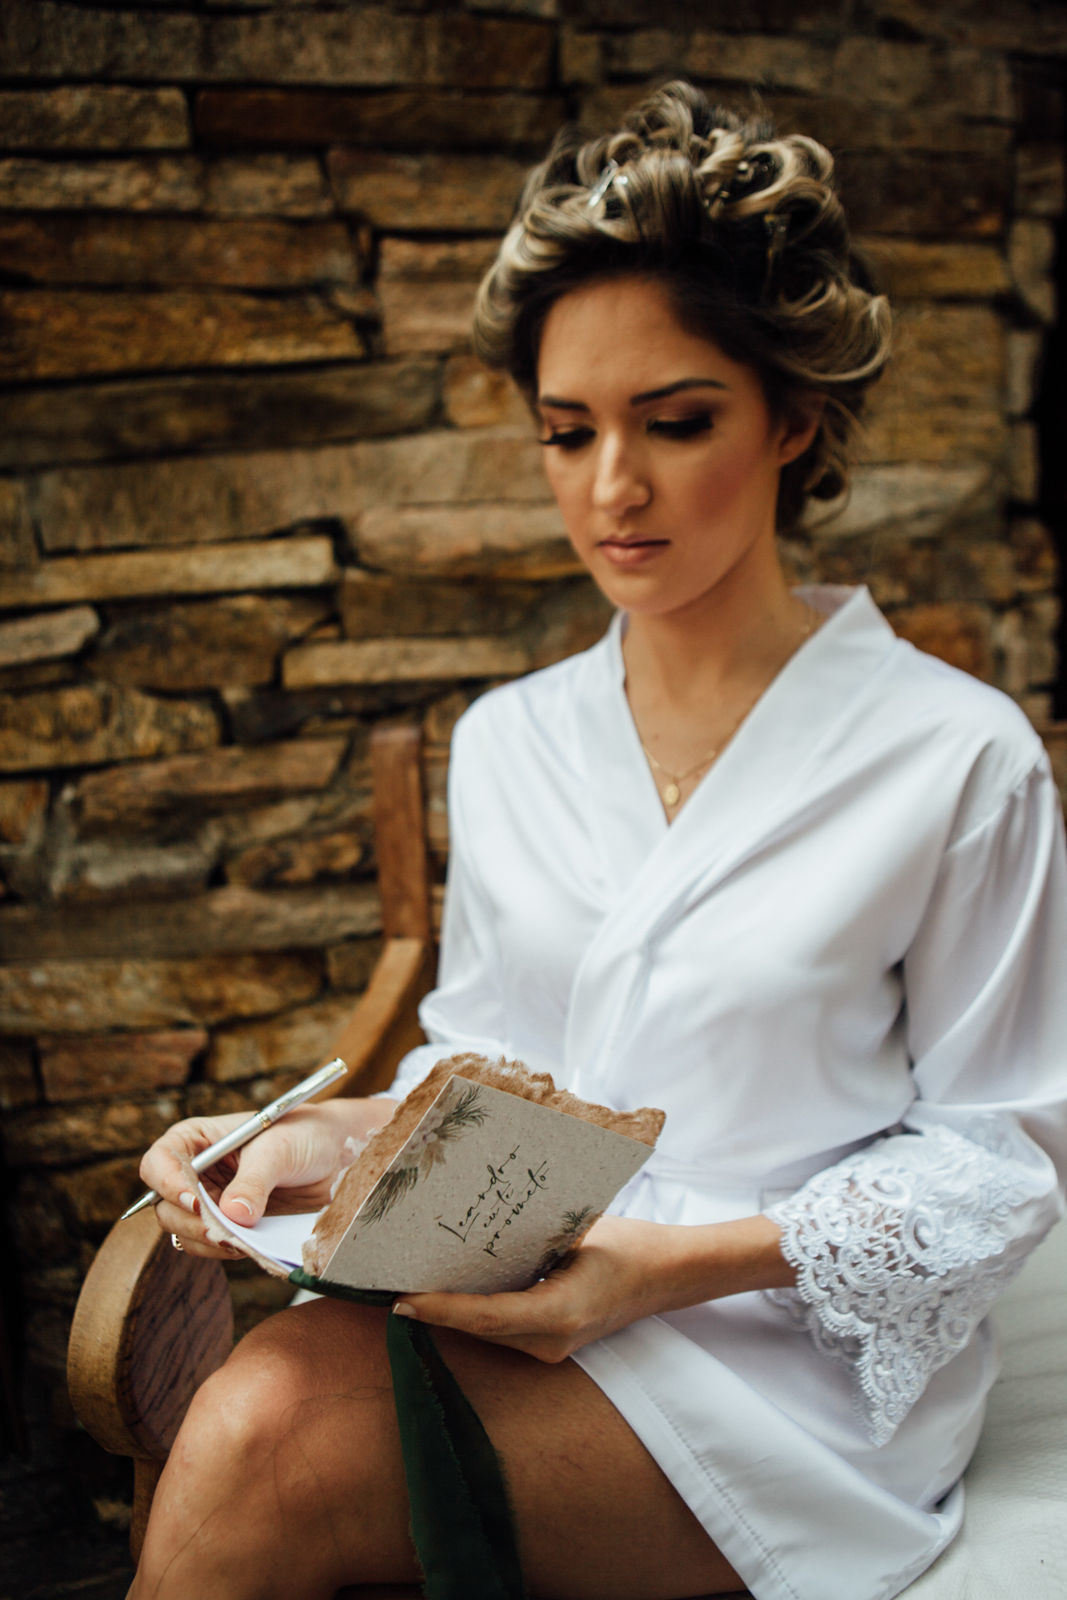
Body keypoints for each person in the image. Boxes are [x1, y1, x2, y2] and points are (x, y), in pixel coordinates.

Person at [131, 82, 1067, 1600]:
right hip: (523, 1284)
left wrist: (667, 1272)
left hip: (790, 1359)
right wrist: (300, 1147)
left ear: (792, 418)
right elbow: (484, 1081)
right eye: (570, 433)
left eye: (675, 422)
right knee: (256, 1415)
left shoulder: (956, 756)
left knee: (260, 1446)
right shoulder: (513, 741)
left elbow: (1004, 1156)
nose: (611, 489)